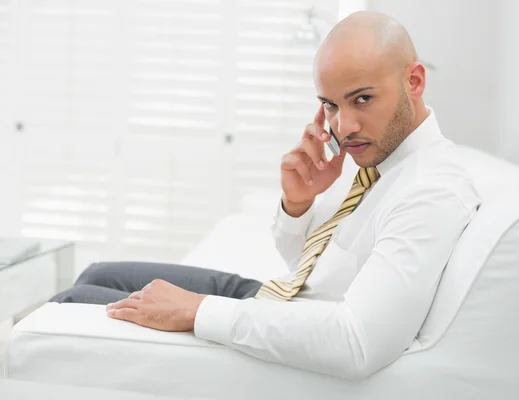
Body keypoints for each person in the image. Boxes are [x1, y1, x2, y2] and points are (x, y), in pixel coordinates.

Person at [50, 11, 480, 379]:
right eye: (329, 105)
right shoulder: (379, 159)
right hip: (276, 298)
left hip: (289, 319)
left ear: (415, 81)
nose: (342, 127)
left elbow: (358, 342)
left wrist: (198, 311)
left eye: (362, 99)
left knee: (71, 302)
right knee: (98, 273)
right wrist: (299, 204)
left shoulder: (429, 190)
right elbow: (306, 268)